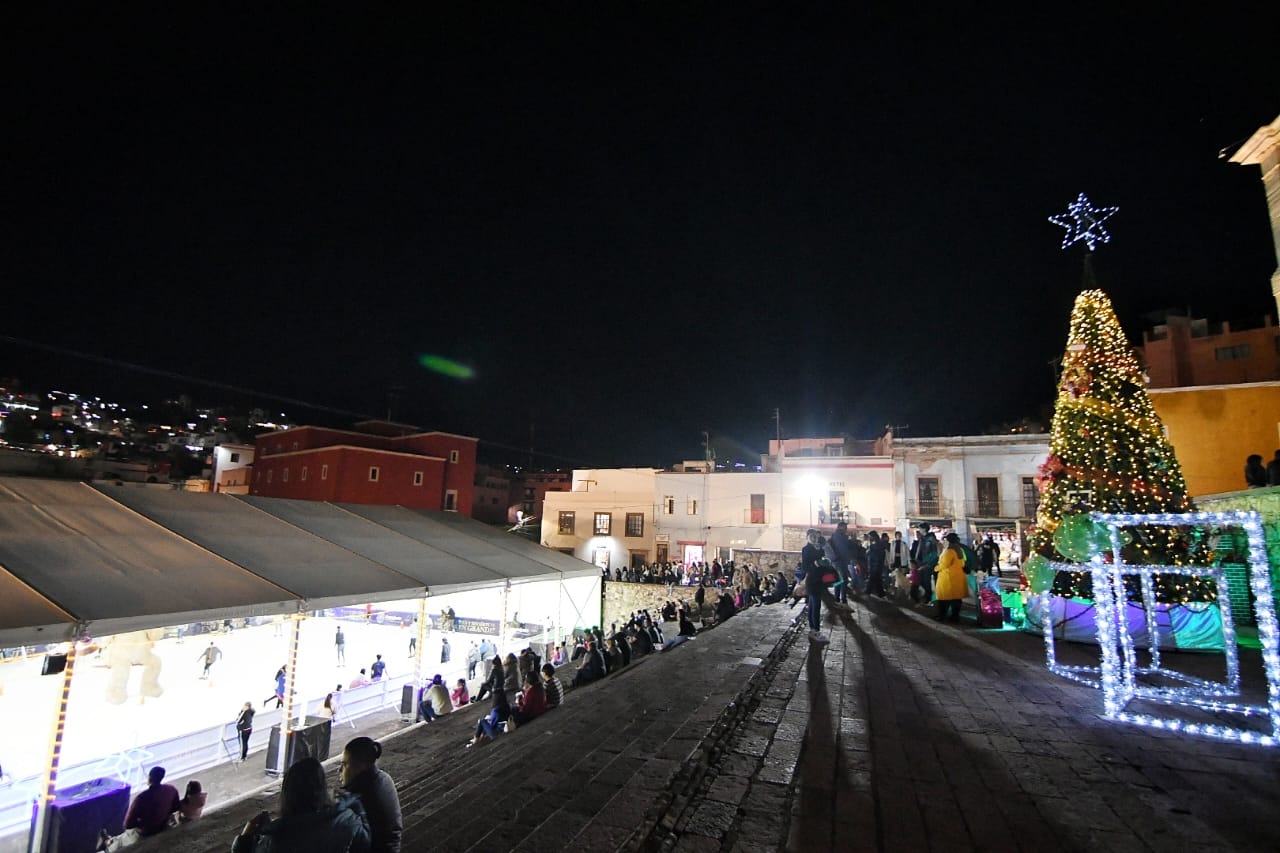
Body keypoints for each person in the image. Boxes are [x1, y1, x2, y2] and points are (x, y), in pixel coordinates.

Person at [231, 756, 369, 852]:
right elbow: (365, 844)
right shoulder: (347, 819)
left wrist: (245, 838)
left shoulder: (275, 839)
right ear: (322, 789)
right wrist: (354, 803)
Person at [341, 737, 402, 853]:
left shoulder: (358, 795)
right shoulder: (384, 778)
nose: (340, 770)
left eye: (344, 764)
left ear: (359, 765)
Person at [123, 766, 180, 837]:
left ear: (149, 778)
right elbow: (176, 807)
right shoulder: (171, 790)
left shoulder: (141, 798)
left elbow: (128, 824)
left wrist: (143, 822)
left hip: (145, 832)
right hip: (164, 825)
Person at [799, 528, 830, 644]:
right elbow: (805, 567)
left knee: (813, 604)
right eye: (811, 536)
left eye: (815, 536)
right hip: (813, 581)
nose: (813, 538)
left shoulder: (817, 548)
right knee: (815, 606)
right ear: (807, 537)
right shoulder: (807, 549)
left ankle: (813, 630)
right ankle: (815, 630)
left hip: (818, 580)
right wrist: (816, 564)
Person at [934, 533, 968, 623]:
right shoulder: (960, 550)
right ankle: (955, 617)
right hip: (958, 577)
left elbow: (944, 564)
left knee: (943, 598)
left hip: (948, 578)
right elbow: (964, 562)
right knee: (956, 599)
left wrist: (936, 568)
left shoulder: (949, 551)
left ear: (948, 541)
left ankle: (942, 616)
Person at [910, 524, 939, 605]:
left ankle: (928, 598)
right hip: (921, 563)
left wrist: (927, 563)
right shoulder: (923, 538)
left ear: (924, 529)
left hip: (927, 564)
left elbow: (933, 553)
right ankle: (926, 596)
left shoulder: (930, 539)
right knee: (922, 580)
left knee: (926, 581)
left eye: (920, 529)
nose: (919, 530)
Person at [888, 530, 911, 599]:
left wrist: (909, 563)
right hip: (895, 562)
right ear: (895, 536)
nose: (898, 537)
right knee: (894, 578)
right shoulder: (893, 543)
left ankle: (902, 592)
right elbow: (891, 553)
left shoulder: (904, 544)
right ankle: (895, 591)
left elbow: (907, 554)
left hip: (902, 562)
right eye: (897, 535)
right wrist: (891, 562)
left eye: (899, 535)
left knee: (902, 578)